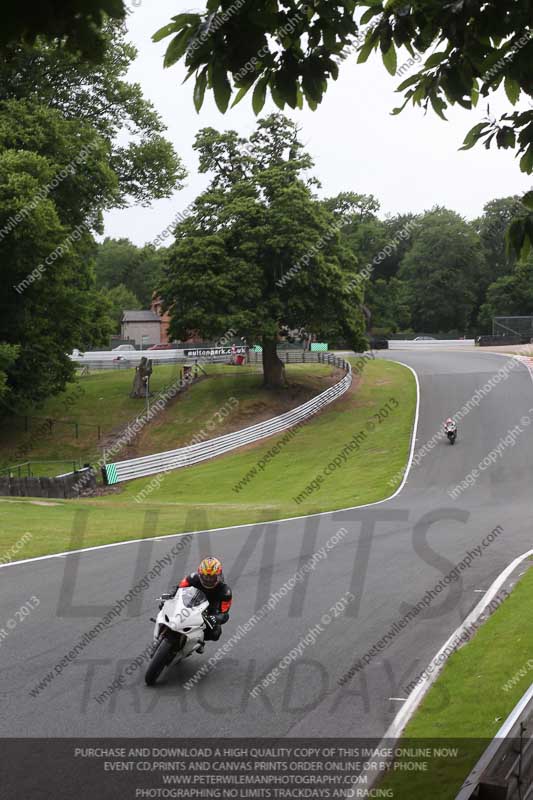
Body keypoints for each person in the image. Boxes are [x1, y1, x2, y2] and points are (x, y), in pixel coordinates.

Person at [171, 557, 232, 651]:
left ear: (218, 576)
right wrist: (171, 595)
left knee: (216, 633)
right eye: (206, 576)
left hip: (209, 611)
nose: (208, 579)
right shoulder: (192, 578)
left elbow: (225, 614)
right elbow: (179, 588)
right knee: (164, 604)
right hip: (189, 601)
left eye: (212, 577)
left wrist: (216, 618)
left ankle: (198, 641)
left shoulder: (225, 591)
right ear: (200, 574)